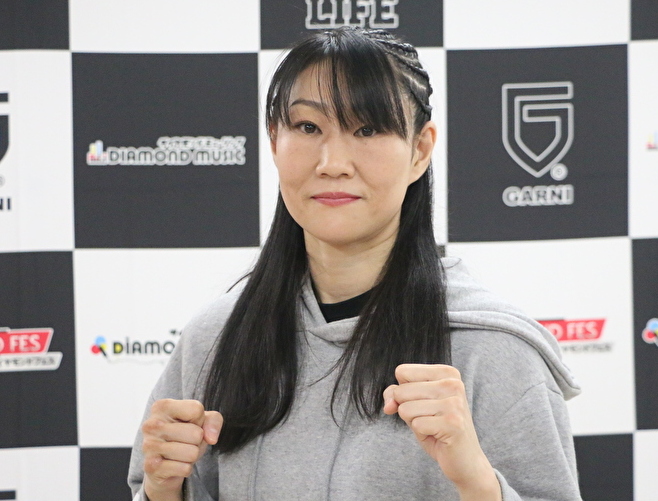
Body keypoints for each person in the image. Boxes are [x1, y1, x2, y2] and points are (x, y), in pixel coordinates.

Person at [128, 28, 582, 501]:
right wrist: (162, 490)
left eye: (367, 129)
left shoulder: (493, 349)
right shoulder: (215, 337)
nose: (333, 162)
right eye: (308, 127)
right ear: (274, 141)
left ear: (420, 150)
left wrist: (479, 482)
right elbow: (155, 485)